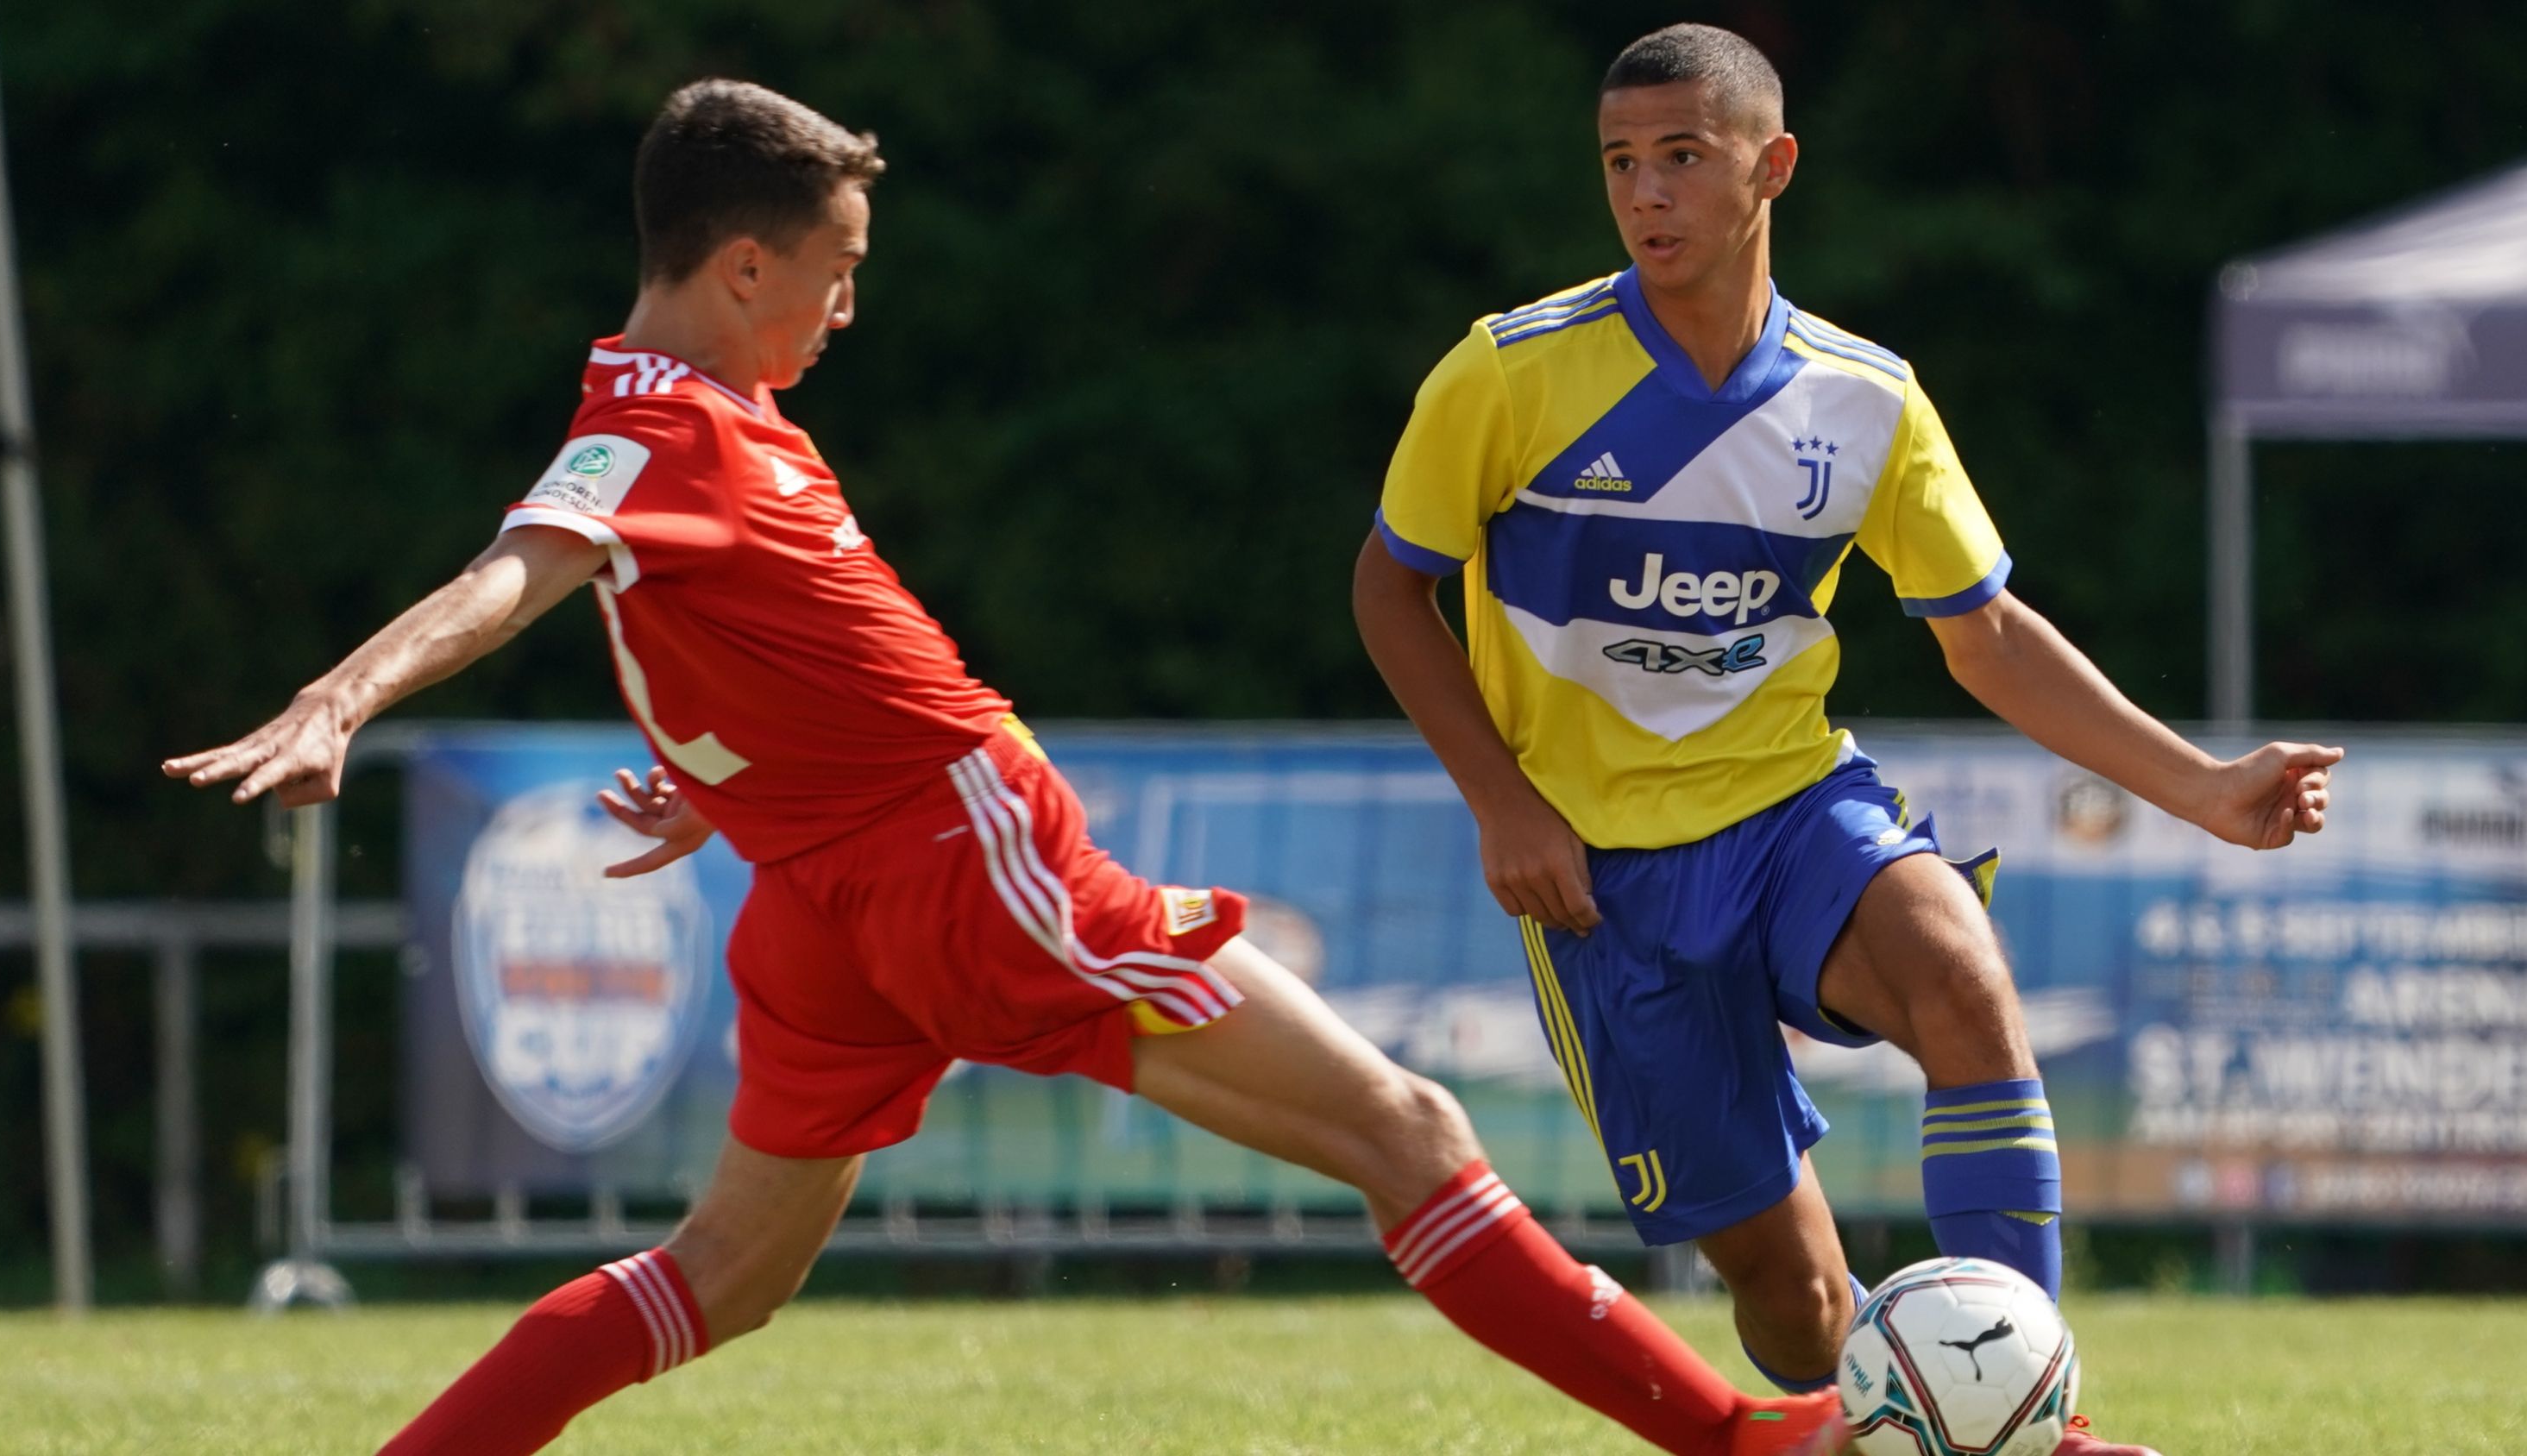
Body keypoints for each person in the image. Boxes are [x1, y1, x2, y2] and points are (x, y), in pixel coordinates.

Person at [167, 78, 1858, 1456]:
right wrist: (341, 697)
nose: (848, 305)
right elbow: (515, 569)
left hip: (830, 899)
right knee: (1407, 1129)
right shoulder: (673, 419)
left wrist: (729, 772)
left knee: (723, 1276)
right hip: (974, 866)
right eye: (836, 268)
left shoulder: (682, 413)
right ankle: (1733, 1439)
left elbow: (710, 616)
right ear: (741, 264)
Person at [1354, 24, 2341, 1456]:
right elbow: (1390, 586)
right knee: (1795, 1292)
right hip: (1604, 878)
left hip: (1793, 809)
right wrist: (1504, 803)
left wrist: (2200, 784)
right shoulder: (1507, 375)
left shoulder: (1862, 396)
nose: (1647, 194)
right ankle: (1890, 1429)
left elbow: (1985, 633)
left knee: (1962, 977)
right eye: (1623, 164)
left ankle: (2033, 1426)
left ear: (1774, 165)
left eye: (1684, 157)